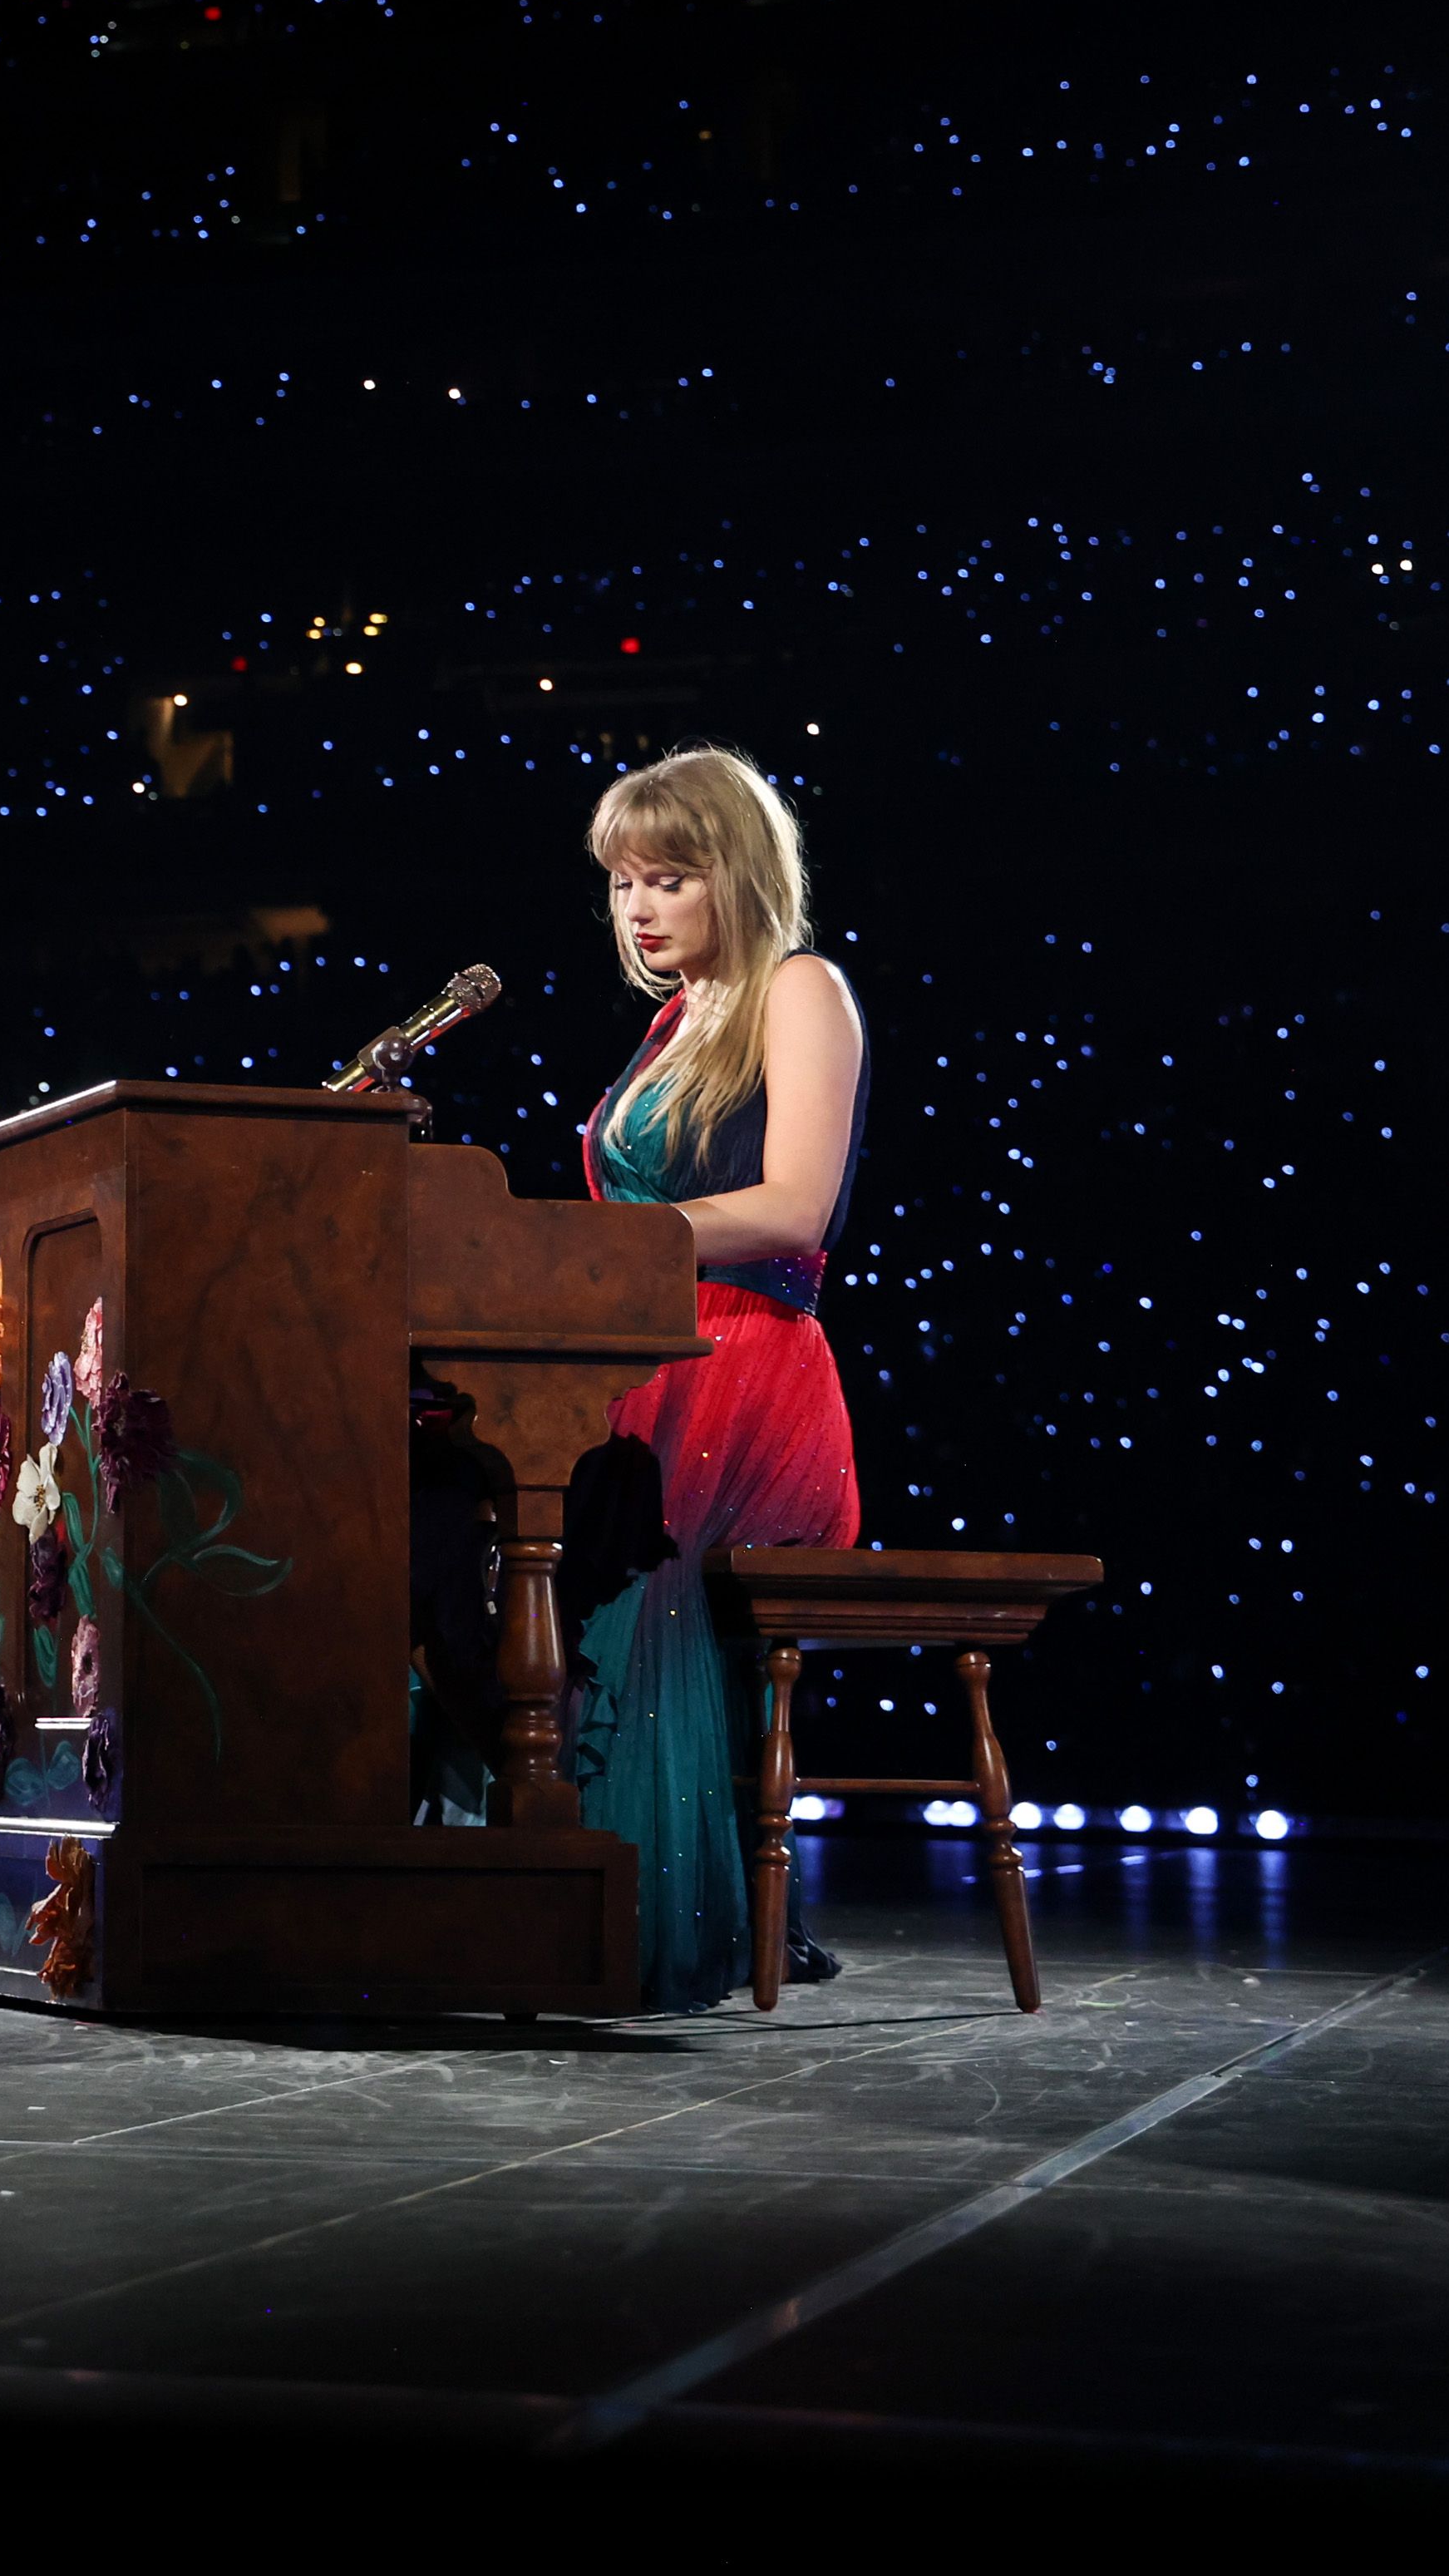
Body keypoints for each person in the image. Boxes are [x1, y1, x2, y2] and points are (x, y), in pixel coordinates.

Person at [572, 746, 868, 2010]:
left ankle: (661, 1921)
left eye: (671, 877)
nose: (639, 906)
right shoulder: (668, 1020)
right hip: (648, 1360)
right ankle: (559, 1896)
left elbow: (796, 1206)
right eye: (625, 880)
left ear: (735, 875)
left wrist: (599, 1244)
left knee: (649, 1607)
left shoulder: (799, 988)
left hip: (747, 1364)